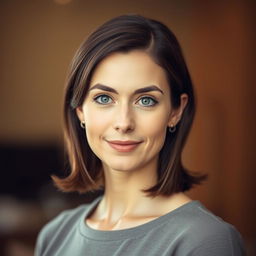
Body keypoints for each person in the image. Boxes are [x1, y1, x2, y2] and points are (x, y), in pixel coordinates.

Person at [35, 14, 245, 255]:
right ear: (81, 110)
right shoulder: (54, 235)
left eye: (146, 100)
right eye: (104, 98)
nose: (124, 122)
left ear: (175, 111)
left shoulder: (206, 241)